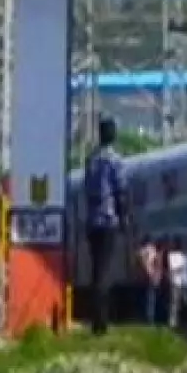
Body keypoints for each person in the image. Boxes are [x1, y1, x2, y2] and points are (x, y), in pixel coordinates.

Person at [81, 118, 129, 334]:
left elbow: (86, 188)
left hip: (92, 220)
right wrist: (124, 217)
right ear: (113, 135)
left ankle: (95, 318)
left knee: (96, 270)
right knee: (104, 272)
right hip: (108, 220)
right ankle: (101, 322)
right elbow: (120, 191)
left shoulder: (90, 159)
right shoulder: (114, 160)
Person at [138, 239, 166, 325]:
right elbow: (155, 264)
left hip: (147, 277)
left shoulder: (143, 252)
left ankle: (149, 317)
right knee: (152, 298)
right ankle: (151, 318)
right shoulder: (152, 252)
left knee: (149, 298)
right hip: (153, 277)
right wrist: (153, 274)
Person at [164, 243, 187, 326]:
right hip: (176, 282)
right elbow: (173, 268)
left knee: (183, 302)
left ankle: (181, 320)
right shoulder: (172, 256)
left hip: (184, 282)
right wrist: (178, 268)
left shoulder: (183, 256)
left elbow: (183, 268)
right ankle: (173, 321)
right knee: (175, 302)